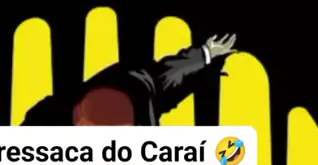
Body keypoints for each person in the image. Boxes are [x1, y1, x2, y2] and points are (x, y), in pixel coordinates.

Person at [20, 33, 237, 126]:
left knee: (174, 84)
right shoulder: (47, 117)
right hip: (131, 84)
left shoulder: (144, 104)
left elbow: (170, 73)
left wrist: (207, 53)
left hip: (146, 86)